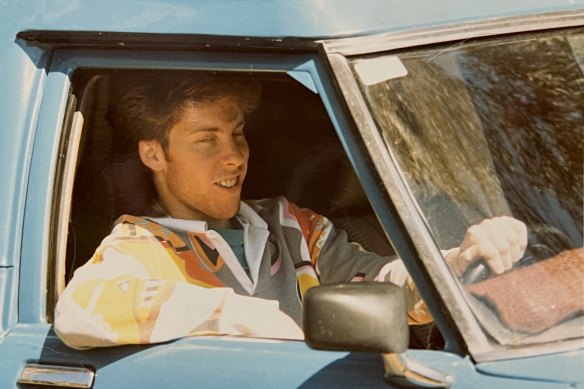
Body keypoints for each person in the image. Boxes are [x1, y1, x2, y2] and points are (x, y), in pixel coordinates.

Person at [54, 73, 527, 350]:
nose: (234, 157)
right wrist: (234, 314)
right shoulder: (143, 243)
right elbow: (78, 312)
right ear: (154, 155)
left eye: (237, 133)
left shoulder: (290, 223)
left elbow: (381, 286)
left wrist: (454, 264)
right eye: (206, 141)